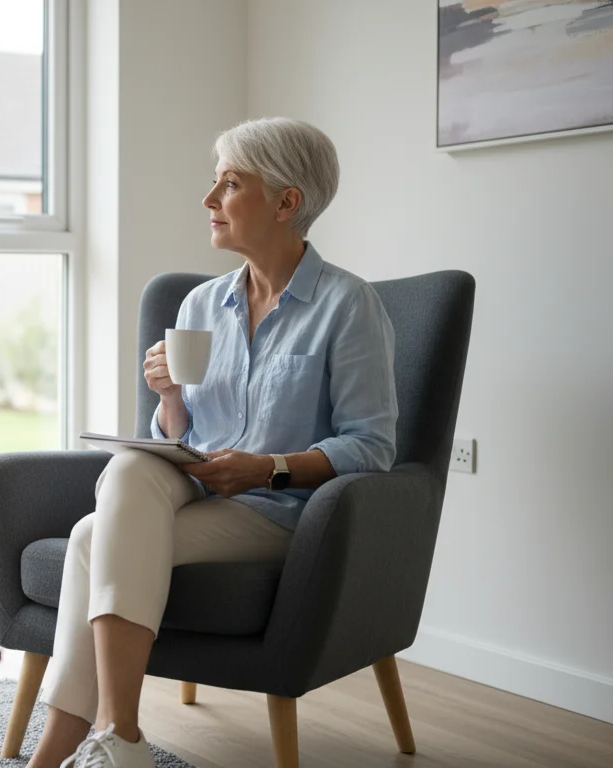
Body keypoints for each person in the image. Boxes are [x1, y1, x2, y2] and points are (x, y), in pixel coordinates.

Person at [31, 117, 399, 768]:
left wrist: (267, 468)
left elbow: (371, 446)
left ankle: (84, 746)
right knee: (124, 474)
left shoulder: (348, 305)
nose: (209, 201)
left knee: (91, 540)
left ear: (287, 202)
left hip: (280, 514)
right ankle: (119, 735)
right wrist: (169, 400)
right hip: (194, 491)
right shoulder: (201, 305)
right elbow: (179, 435)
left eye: (229, 184)